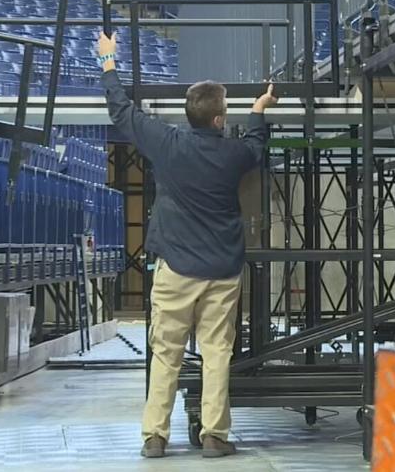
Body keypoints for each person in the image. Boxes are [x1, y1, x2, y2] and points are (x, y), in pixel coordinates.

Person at [97, 31, 278, 459]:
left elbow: (121, 112)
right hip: (222, 270)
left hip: (176, 270)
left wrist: (108, 61)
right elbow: (257, 145)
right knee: (217, 353)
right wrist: (258, 110)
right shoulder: (233, 154)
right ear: (219, 120)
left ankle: (155, 437)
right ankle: (214, 436)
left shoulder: (167, 143)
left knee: (166, 354)